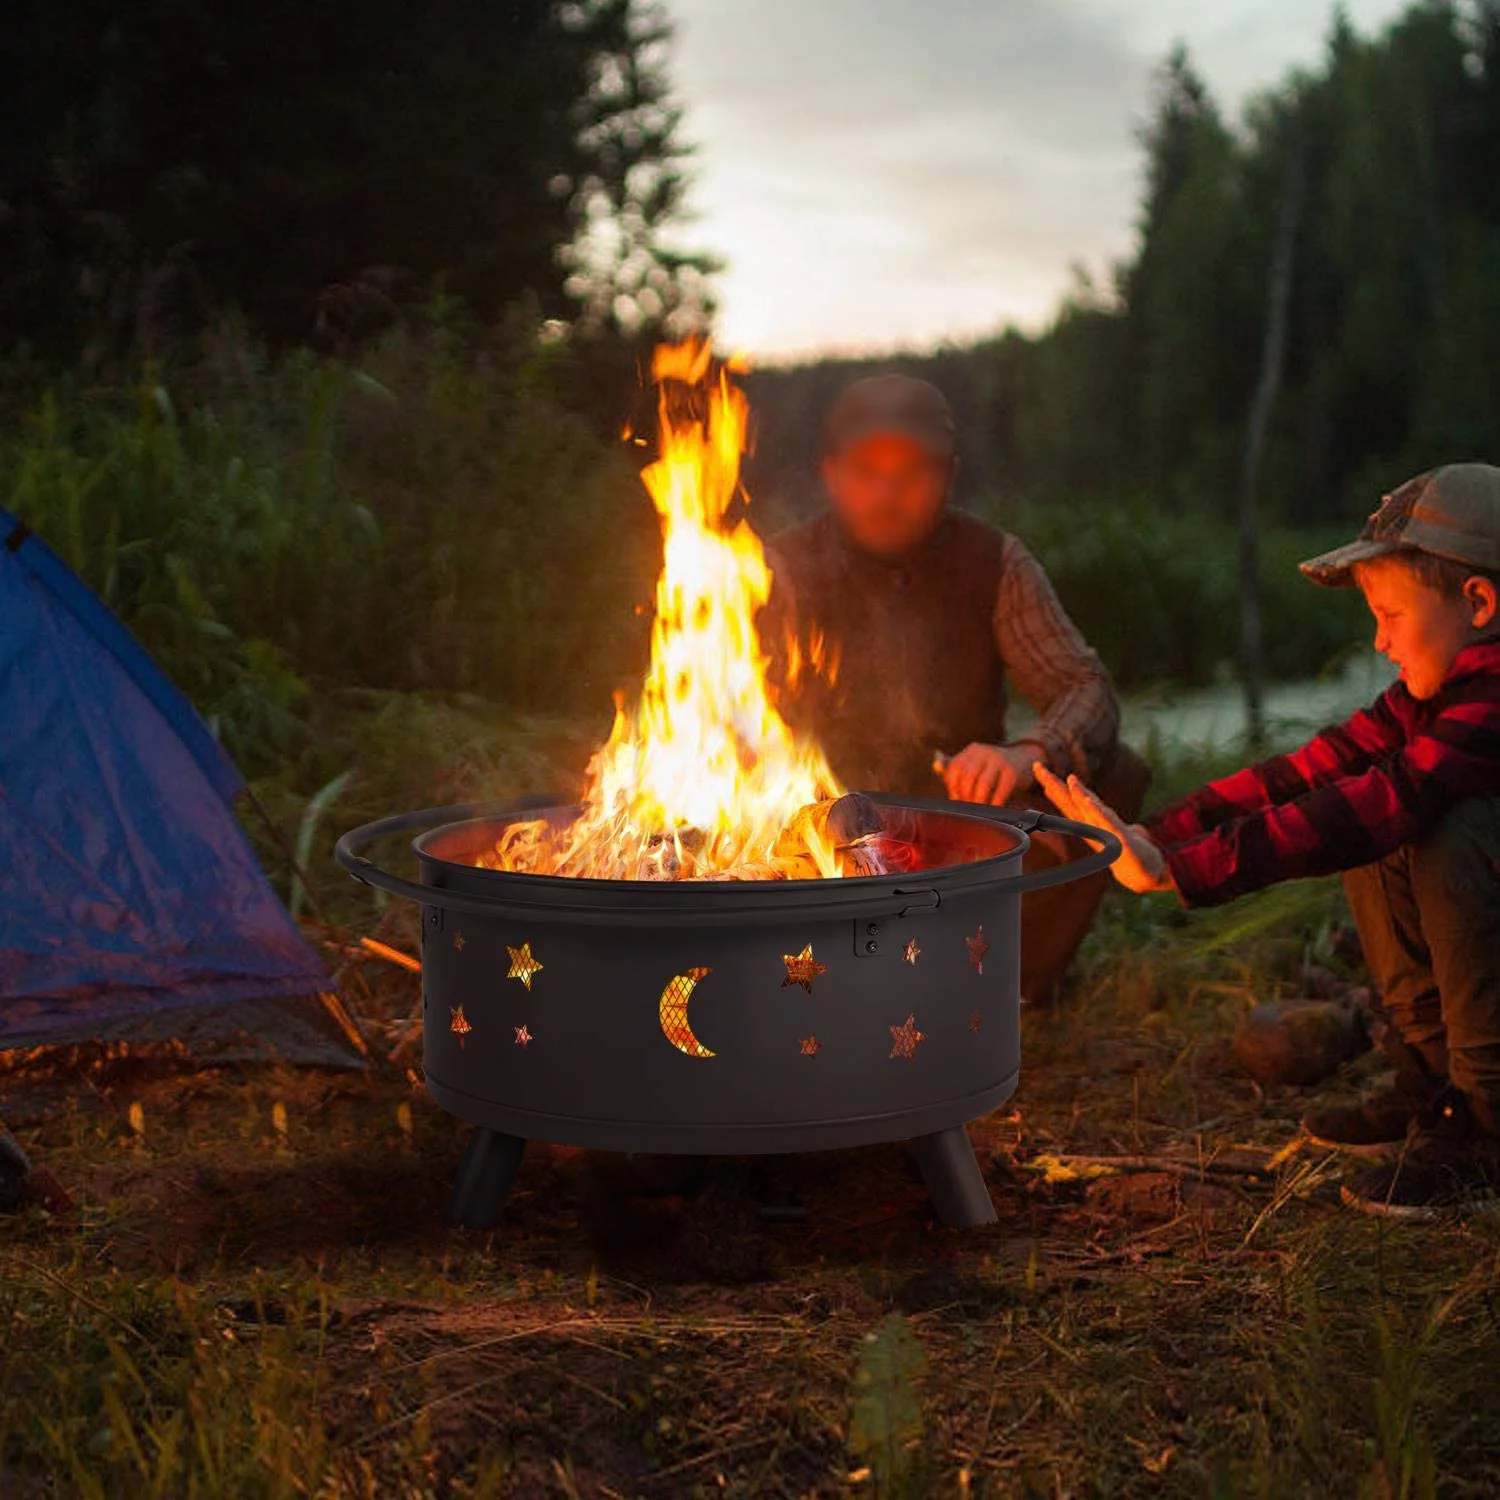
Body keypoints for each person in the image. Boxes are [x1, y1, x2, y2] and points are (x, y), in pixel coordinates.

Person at [1039, 464, 1500, 1218]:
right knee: (1373, 824)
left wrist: (1184, 871)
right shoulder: (1436, 694)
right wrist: (1158, 835)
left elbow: (1381, 801)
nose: (1380, 641)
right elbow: (1311, 771)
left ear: (1478, 602)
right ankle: (1434, 1084)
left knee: (1434, 826)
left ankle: (1487, 1128)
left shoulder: (1491, 701)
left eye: (1391, 614)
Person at [765, 373, 1149, 1002]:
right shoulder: (770, 571)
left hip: (954, 819)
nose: (889, 492)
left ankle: (1006, 983)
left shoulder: (993, 561)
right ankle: (815, 980)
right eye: (867, 470)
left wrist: (1026, 754)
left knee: (1107, 779)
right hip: (814, 825)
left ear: (950, 474)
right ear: (830, 472)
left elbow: (1086, 687)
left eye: (914, 471)